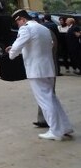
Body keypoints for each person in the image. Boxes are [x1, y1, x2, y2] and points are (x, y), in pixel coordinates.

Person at [6, 9, 74, 141]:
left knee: (45, 101)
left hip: (35, 71)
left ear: (22, 19)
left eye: (18, 22)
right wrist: (17, 50)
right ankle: (65, 126)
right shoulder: (43, 28)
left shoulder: (25, 29)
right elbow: (39, 46)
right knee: (52, 99)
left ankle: (55, 131)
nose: (18, 25)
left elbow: (18, 46)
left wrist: (12, 53)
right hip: (48, 68)